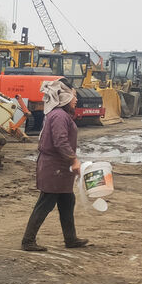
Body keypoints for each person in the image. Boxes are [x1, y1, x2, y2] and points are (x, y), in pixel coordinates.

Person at [21, 78, 89, 252]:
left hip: (59, 166)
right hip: (55, 167)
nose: (76, 99)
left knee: (68, 200)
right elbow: (60, 141)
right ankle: (28, 241)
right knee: (46, 202)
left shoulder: (60, 115)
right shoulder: (59, 116)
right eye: (74, 96)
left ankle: (71, 239)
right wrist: (73, 160)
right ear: (64, 97)